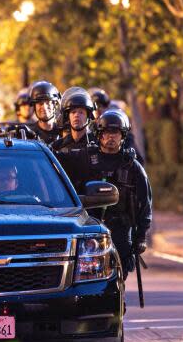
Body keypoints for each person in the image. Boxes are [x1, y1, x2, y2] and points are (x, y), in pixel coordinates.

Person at [63, 108, 151, 280]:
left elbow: (145, 204)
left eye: (116, 133)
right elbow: (59, 161)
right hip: (89, 228)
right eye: (106, 132)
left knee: (118, 277)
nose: (111, 137)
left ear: (123, 136)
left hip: (121, 231)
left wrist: (141, 237)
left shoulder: (132, 167)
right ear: (99, 134)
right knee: (88, 277)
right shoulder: (85, 158)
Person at [51, 87, 96, 154]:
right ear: (67, 116)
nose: (76, 115)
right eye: (73, 112)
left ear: (88, 116)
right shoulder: (57, 146)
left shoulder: (97, 144)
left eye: (81, 112)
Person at [27, 80, 62, 145]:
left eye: (48, 103)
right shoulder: (28, 134)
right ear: (34, 106)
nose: (44, 107)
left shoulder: (64, 133)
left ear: (55, 105)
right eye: (40, 103)